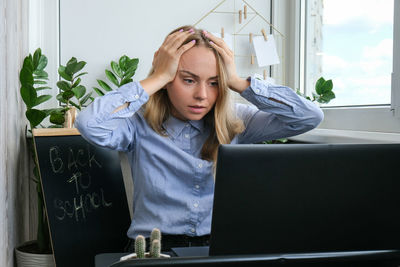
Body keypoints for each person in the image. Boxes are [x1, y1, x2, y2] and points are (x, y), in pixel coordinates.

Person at [75, 25, 324, 253]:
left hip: (218, 247)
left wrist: (237, 82)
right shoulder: (138, 124)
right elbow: (89, 124)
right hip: (152, 248)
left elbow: (308, 116)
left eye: (214, 83)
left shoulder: (236, 121)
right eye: (188, 80)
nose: (202, 95)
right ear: (168, 79)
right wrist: (158, 78)